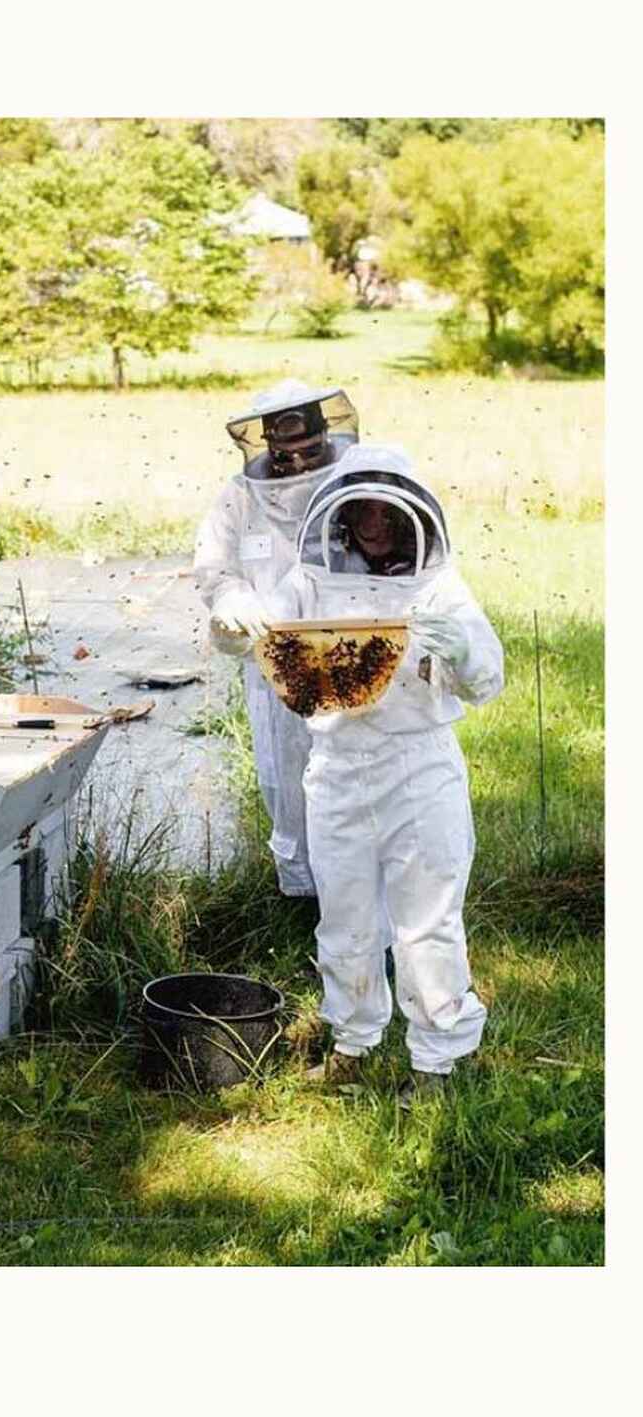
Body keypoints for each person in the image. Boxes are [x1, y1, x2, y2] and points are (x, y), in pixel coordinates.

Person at [279, 445, 502, 1103]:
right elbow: (269, 637)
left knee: (425, 922)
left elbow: (486, 682)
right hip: (338, 767)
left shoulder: (438, 587)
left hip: (418, 765)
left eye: (384, 507)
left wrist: (459, 648)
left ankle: (437, 1062)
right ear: (340, 513)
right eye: (360, 507)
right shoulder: (313, 579)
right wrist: (234, 618)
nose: (373, 521)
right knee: (344, 919)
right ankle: (352, 1042)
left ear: (410, 515)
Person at [194, 379, 360, 898]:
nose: (298, 461)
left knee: (351, 779)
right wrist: (232, 601)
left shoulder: (354, 480)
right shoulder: (240, 497)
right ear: (265, 443)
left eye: (309, 450)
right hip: (273, 662)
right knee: (285, 778)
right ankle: (303, 895)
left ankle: (355, 890)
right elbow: (215, 569)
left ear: (324, 432)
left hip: (349, 653)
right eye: (286, 453)